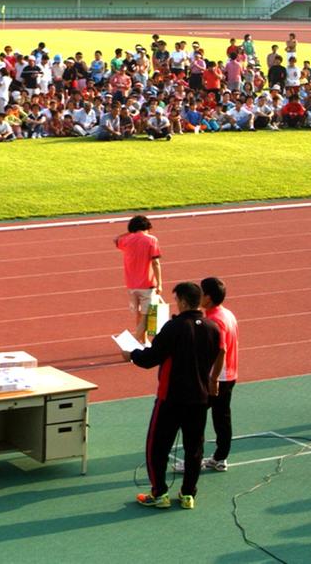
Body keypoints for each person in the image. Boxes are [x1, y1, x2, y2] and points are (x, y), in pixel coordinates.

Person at [123, 282, 222, 510]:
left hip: (171, 398)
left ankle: (160, 493)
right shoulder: (212, 328)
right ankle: (188, 494)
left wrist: (131, 354)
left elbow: (150, 358)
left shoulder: (174, 327)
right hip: (199, 398)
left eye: (177, 300)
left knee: (157, 447)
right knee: (194, 448)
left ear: (184, 302)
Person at [200, 277, 239, 471]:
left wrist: (213, 378)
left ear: (208, 297)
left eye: (201, 292)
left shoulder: (214, 320)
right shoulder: (227, 314)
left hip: (217, 377)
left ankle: (194, 458)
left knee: (195, 415)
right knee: (222, 417)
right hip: (229, 374)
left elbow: (221, 350)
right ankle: (220, 458)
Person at [116, 215, 163, 343]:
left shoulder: (126, 240)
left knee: (139, 314)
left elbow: (116, 239)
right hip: (147, 284)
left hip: (131, 284)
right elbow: (155, 263)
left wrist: (130, 232)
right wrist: (159, 284)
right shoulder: (151, 240)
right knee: (147, 315)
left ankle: (144, 340)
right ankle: (135, 342)